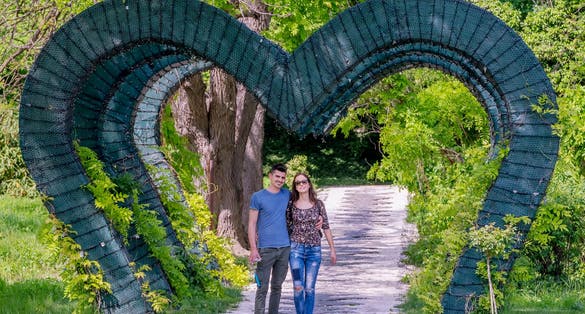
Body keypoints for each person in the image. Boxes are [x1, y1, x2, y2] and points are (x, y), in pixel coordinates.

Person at [286, 173, 336, 314]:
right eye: (297, 183)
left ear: (309, 184)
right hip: (296, 250)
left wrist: (332, 249)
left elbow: (325, 226)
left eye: (303, 182)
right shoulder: (291, 204)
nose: (301, 184)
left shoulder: (318, 204)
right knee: (298, 287)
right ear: (295, 187)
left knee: (309, 288)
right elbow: (284, 224)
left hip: (314, 251)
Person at [248, 163, 292, 314]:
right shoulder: (258, 197)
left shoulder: (287, 194)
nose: (280, 180)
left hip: (285, 248)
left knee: (277, 287)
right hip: (265, 249)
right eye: (277, 176)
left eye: (283, 177)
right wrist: (253, 249)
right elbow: (252, 224)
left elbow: (306, 203)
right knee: (262, 287)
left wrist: (319, 217)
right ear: (270, 176)